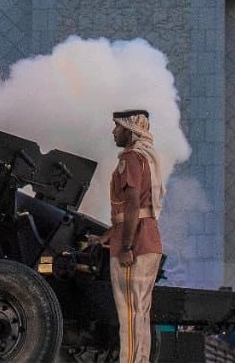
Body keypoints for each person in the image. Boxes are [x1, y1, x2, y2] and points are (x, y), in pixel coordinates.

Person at [98, 108, 164, 363]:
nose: (114, 132)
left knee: (129, 313)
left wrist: (125, 247)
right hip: (148, 238)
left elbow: (132, 204)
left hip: (135, 244)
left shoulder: (130, 158)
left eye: (117, 127)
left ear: (129, 130)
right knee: (140, 313)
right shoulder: (147, 158)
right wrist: (104, 238)